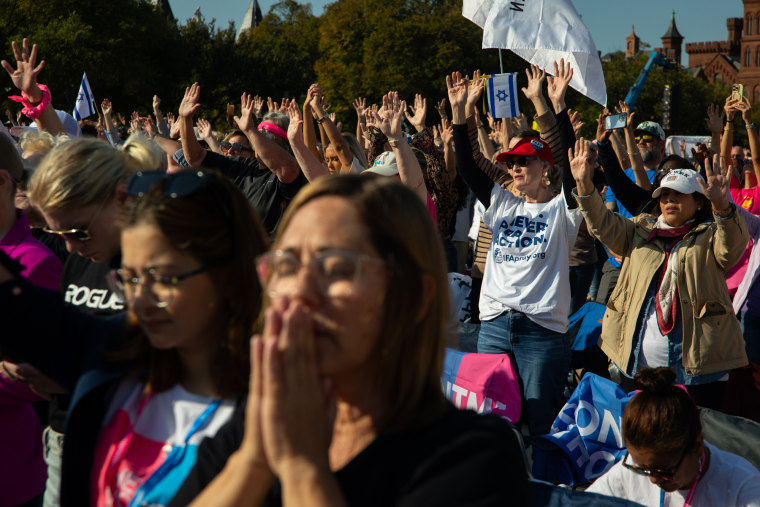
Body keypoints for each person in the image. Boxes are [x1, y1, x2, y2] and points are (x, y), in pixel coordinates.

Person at [171, 175, 532, 506]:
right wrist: (254, 460)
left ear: (412, 297)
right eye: (287, 267)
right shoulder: (264, 419)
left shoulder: (473, 458)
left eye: (337, 269)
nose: (301, 292)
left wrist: (302, 467)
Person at [0, 168, 269, 506]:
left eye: (162, 278)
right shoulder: (116, 352)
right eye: (129, 277)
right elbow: (18, 307)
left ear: (228, 274)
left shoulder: (274, 402)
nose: (139, 300)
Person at [448, 70, 582, 435]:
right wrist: (461, 115)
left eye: (524, 161)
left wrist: (546, 103)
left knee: (540, 427)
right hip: (493, 327)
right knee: (492, 427)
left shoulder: (563, 211)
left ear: (546, 168)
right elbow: (467, 167)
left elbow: (572, 163)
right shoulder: (503, 203)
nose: (515, 168)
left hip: (541, 332)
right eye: (511, 163)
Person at [571, 139, 749, 408]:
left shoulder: (713, 233)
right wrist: (585, 186)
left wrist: (723, 206)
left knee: (695, 443)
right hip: (638, 367)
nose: (669, 200)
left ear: (699, 202)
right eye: (664, 195)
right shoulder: (640, 230)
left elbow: (732, 249)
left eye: (678, 194)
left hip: (698, 371)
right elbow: (603, 224)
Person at [587, 367, 760, 506]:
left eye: (665, 471)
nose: (653, 479)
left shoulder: (743, 486)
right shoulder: (635, 469)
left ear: (698, 446)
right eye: (641, 468)